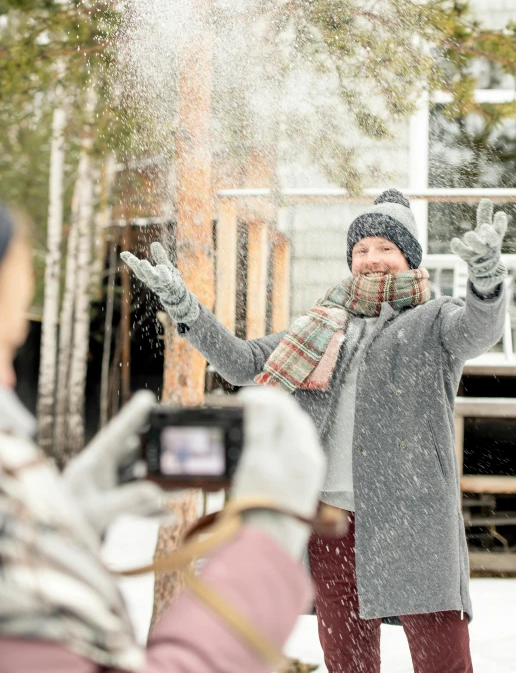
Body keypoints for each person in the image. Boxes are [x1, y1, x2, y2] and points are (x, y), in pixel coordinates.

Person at [122, 189, 508, 673]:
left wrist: (487, 277)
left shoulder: (434, 322)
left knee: (443, 661)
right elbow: (242, 363)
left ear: (409, 257)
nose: (372, 259)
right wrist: (186, 308)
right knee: (346, 660)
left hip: (413, 519)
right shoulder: (322, 328)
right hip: (331, 523)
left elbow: (480, 329)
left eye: (386, 249)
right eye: (362, 250)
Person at [0, 202, 326, 673]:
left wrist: (55, 531)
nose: (11, 383)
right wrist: (264, 547)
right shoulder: (314, 329)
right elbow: (240, 361)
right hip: (310, 512)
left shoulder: (424, 323)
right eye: (9, 349)